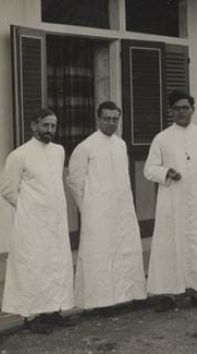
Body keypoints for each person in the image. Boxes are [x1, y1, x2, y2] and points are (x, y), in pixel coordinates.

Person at [144, 90, 197, 312]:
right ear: (171, 111)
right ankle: (169, 293)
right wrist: (167, 172)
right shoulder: (162, 138)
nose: (181, 112)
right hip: (172, 200)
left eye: (185, 108)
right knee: (170, 244)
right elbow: (149, 169)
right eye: (177, 108)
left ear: (193, 110)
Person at [67, 101, 147, 314]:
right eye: (107, 118)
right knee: (100, 254)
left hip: (121, 209)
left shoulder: (120, 145)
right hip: (98, 211)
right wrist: (89, 207)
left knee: (124, 250)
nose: (111, 123)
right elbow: (74, 181)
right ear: (98, 119)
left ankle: (126, 295)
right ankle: (99, 302)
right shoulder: (86, 147)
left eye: (115, 119)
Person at [0, 109, 75, 333]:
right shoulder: (19, 155)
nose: (50, 130)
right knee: (33, 267)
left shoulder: (59, 151)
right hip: (31, 224)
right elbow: (7, 190)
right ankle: (32, 317)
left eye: (53, 126)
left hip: (55, 222)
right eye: (45, 125)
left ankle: (52, 311)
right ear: (34, 126)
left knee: (54, 266)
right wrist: (29, 209)